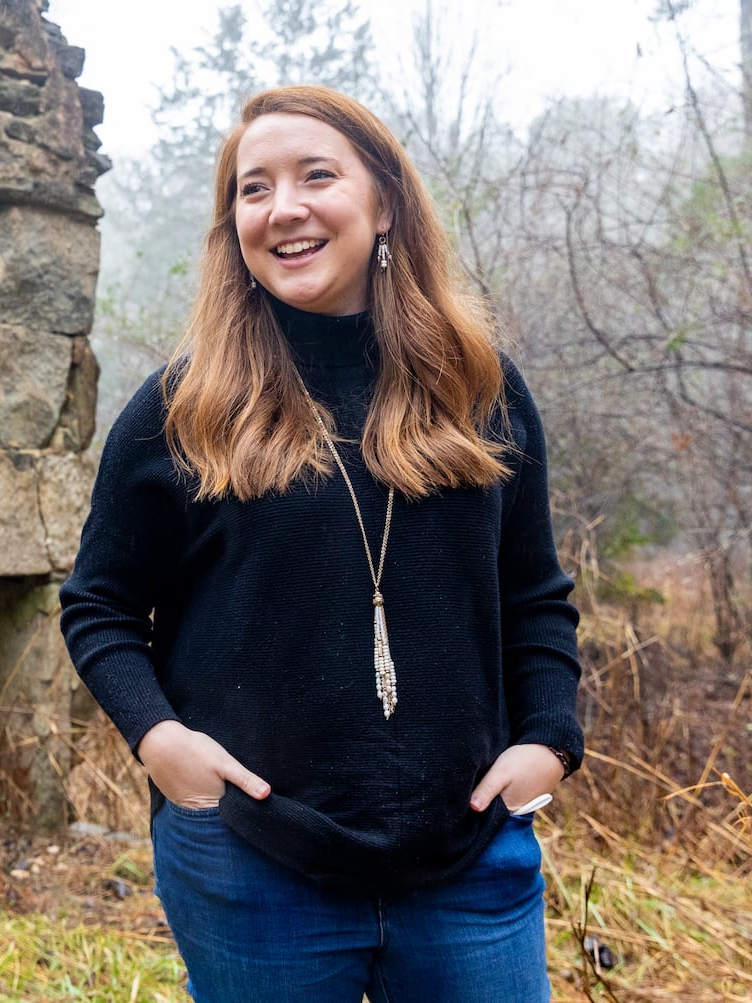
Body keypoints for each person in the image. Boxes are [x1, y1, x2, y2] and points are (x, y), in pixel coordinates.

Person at [59, 85, 584, 1003]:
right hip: (252, 863)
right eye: (253, 189)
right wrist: (160, 738)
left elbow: (533, 596)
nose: (284, 208)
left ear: (383, 202)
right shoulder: (182, 409)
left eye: (315, 175)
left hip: (469, 859)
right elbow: (98, 604)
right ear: (234, 228)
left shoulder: (479, 390)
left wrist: (549, 738)